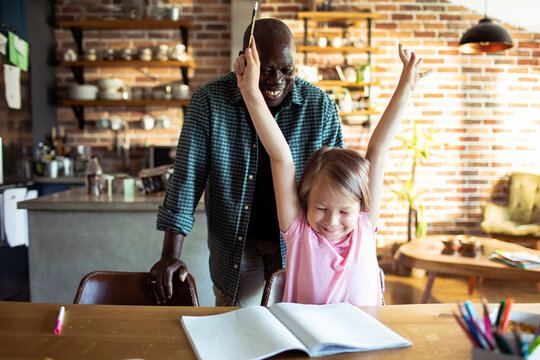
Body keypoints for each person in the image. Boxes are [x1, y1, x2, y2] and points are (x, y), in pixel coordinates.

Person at [149, 18, 343, 306]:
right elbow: (187, 180)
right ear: (244, 61)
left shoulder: (320, 107)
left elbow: (340, 186)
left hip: (297, 242)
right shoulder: (210, 102)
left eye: (286, 70)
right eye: (266, 70)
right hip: (237, 245)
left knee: (293, 331)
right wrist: (170, 256)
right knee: (239, 330)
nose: (277, 80)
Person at [234, 39, 431, 305]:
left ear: (361, 207)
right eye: (322, 208)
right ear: (306, 199)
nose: (332, 221)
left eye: (345, 211)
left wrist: (406, 87)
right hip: (307, 343)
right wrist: (251, 94)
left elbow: (377, 150)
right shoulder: (299, 231)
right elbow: (281, 157)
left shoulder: (364, 225)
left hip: (363, 341)